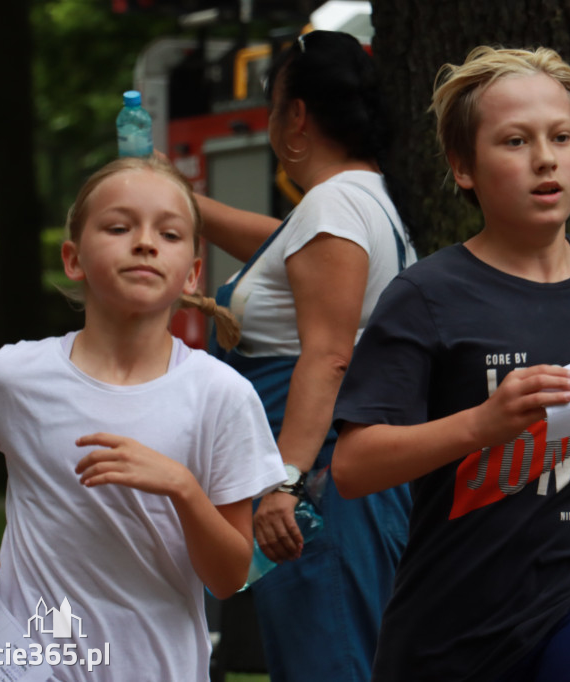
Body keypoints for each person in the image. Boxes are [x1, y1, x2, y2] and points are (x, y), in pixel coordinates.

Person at [332, 46, 570, 682]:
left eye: (561, 136)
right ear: (463, 167)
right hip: (454, 623)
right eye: (515, 141)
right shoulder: (425, 298)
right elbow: (353, 467)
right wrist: (481, 425)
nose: (545, 158)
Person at [0, 156, 286, 681]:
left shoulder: (222, 395)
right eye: (119, 227)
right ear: (73, 259)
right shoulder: (15, 376)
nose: (144, 242)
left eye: (168, 233)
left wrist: (183, 488)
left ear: (191, 273)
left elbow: (228, 578)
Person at [201, 30, 417, 682]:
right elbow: (285, 250)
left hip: (315, 492)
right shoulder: (359, 200)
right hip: (340, 485)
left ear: (296, 116)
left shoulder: (331, 206)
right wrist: (181, 202)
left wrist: (285, 484)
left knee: (328, 662)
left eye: (272, 106)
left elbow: (326, 357)